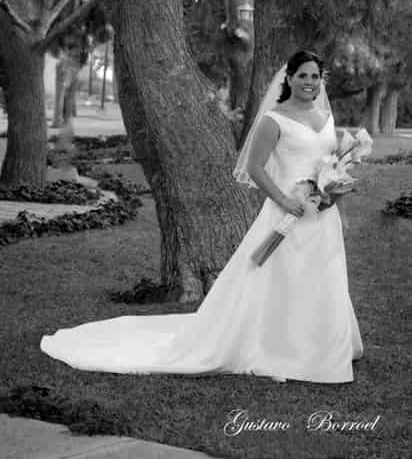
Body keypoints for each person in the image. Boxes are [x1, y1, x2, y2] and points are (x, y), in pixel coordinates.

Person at [40, 51, 363, 383]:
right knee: (283, 278)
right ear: (289, 79)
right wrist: (283, 199)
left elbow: (329, 161)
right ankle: (280, 346)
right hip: (287, 212)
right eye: (302, 76)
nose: (309, 83)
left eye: (314, 77)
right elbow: (254, 167)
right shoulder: (275, 119)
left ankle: (322, 342)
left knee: (323, 273)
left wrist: (337, 187)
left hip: (322, 214)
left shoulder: (326, 116)